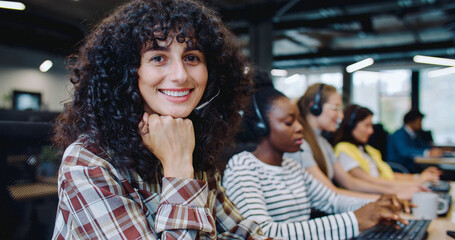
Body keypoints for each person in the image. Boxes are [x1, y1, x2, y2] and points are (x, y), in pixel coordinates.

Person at [51, 0, 273, 239]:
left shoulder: (187, 137)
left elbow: (238, 234)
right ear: (124, 71)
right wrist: (178, 167)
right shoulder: (88, 161)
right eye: (158, 58)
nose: (180, 75)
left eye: (192, 57)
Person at [223, 86, 410, 239]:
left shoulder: (292, 166)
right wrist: (355, 220)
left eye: (298, 120)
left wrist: (377, 204)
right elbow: (261, 234)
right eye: (289, 122)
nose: (299, 128)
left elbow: (333, 200)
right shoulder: (242, 167)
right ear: (260, 127)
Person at [285, 83, 422, 199]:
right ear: (314, 108)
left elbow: (349, 182)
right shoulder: (301, 145)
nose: (341, 115)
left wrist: (393, 195)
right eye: (335, 108)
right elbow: (331, 194)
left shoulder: (323, 143)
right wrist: (389, 198)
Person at [333, 105, 441, 187]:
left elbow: (390, 176)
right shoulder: (344, 150)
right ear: (351, 125)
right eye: (367, 125)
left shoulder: (368, 150)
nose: (371, 131)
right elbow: (373, 182)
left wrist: (419, 177)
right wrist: (416, 183)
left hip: (390, 187)